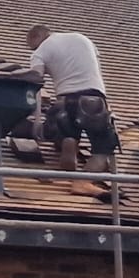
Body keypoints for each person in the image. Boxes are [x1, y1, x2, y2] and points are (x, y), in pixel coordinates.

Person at [24, 25, 120, 173]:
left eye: (32, 46)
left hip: (66, 100)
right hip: (94, 99)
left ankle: (68, 141)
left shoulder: (41, 51)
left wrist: (36, 122)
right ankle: (84, 179)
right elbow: (97, 70)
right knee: (102, 152)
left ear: (36, 37)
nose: (33, 50)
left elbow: (35, 82)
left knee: (64, 131)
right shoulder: (82, 39)